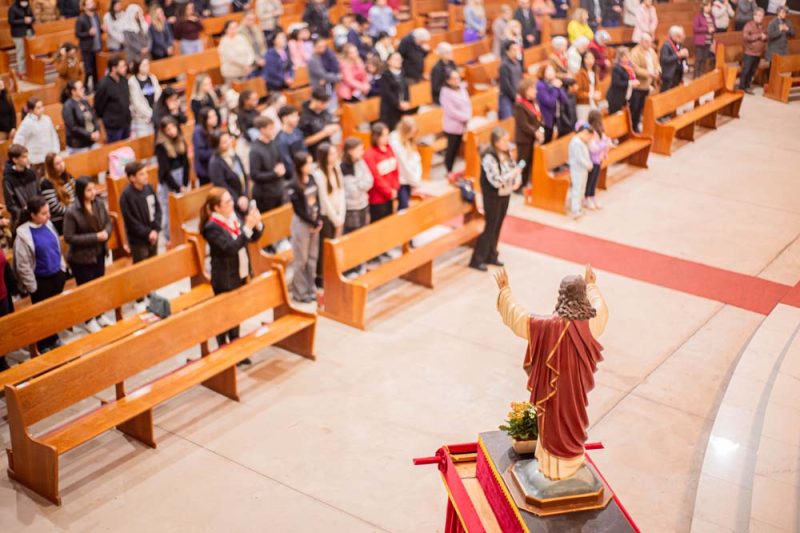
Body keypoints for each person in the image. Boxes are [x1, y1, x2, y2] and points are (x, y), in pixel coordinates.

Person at [493, 264, 608, 481]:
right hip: (575, 390)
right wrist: (592, 285)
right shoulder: (589, 323)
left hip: (553, 393)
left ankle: (553, 467)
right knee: (572, 421)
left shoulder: (547, 326)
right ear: (581, 295)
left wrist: (505, 290)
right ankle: (569, 463)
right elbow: (601, 308)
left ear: (562, 296)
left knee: (553, 422)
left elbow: (519, 318)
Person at [200, 187, 264, 349]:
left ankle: (235, 345)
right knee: (224, 315)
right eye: (227, 202)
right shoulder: (212, 227)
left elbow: (250, 238)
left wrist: (257, 225)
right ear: (217, 208)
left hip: (239, 272)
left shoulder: (233, 217)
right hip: (225, 276)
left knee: (236, 312)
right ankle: (223, 348)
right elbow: (230, 248)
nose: (232, 203)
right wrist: (248, 227)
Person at [13, 197, 67, 350]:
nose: (48, 216)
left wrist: (62, 269)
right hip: (40, 281)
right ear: (32, 215)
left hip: (56, 275)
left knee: (53, 311)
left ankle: (53, 336)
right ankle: (43, 343)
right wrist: (32, 287)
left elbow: (57, 246)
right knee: (42, 315)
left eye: (48, 212)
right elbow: (23, 264)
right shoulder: (24, 235)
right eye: (43, 213)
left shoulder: (48, 225)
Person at [63, 177, 114, 330]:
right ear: (80, 192)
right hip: (82, 258)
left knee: (99, 286)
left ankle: (99, 313)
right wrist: (95, 237)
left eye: (94, 189)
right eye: (89, 190)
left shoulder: (98, 203)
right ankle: (89, 318)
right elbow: (69, 237)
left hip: (99, 252)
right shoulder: (72, 211)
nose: (93, 193)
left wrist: (106, 232)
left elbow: (107, 222)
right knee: (86, 290)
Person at [469, 127, 520, 271]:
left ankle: (492, 254)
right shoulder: (488, 156)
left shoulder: (506, 153)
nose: (507, 143)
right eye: (505, 140)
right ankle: (477, 259)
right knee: (490, 226)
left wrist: (517, 178)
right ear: (496, 142)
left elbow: (514, 168)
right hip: (492, 195)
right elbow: (495, 180)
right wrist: (513, 174)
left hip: (505, 193)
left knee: (498, 225)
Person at [287, 151, 322, 303]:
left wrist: (319, 219)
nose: (310, 166)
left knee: (312, 258)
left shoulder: (312, 178)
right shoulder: (294, 185)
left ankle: (310, 288)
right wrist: (313, 222)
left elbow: (318, 200)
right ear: (300, 166)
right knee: (301, 259)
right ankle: (299, 292)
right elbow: (299, 210)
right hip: (303, 224)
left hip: (314, 221)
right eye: (307, 163)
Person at [312, 142, 346, 286]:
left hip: (339, 213)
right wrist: (336, 220)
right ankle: (322, 277)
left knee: (337, 245)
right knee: (325, 248)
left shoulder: (336, 167)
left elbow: (342, 192)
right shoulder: (318, 174)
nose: (335, 156)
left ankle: (335, 272)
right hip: (327, 216)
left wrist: (341, 217)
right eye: (331, 154)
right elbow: (324, 200)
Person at [155, 116, 190, 239]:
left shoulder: (181, 140)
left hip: (182, 178)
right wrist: (177, 187)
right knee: (168, 211)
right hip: (169, 181)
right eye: (168, 129)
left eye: (173, 127)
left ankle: (183, 234)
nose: (171, 131)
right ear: (164, 131)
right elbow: (164, 170)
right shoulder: (161, 146)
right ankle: (169, 238)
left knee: (183, 208)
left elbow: (186, 163)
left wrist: (185, 184)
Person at [120, 160, 161, 263]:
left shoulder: (149, 188)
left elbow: (157, 209)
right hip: (139, 241)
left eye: (146, 173)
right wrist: (148, 233)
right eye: (141, 174)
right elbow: (131, 221)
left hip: (153, 235)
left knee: (154, 264)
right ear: (132, 178)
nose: (146, 176)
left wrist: (155, 230)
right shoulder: (126, 196)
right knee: (142, 270)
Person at [363, 122, 399, 226]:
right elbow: (376, 177)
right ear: (376, 137)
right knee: (379, 225)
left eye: (387, 134)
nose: (387, 138)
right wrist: (389, 191)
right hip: (378, 198)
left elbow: (396, 169)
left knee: (389, 222)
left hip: (391, 194)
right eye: (384, 135)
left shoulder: (389, 148)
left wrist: (395, 188)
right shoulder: (370, 155)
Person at [249, 116, 287, 212]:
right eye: (270, 129)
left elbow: (279, 161)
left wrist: (281, 167)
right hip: (265, 195)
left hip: (278, 189)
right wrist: (275, 173)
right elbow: (255, 175)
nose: (273, 131)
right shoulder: (255, 150)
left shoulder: (274, 143)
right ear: (262, 130)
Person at [13, 98, 61, 174]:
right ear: (31, 110)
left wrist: (56, 151)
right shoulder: (27, 123)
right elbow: (17, 142)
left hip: (50, 158)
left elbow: (54, 136)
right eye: (38, 108)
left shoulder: (47, 119)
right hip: (36, 161)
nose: (42, 109)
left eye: (42, 106)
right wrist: (26, 157)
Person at [440, 70, 472, 177]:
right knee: (452, 148)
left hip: (463, 123)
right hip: (453, 125)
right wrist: (464, 117)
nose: (457, 80)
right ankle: (449, 170)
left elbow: (468, 103)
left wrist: (468, 115)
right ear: (448, 81)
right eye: (454, 78)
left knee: (459, 147)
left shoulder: (462, 88)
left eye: (458, 78)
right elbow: (450, 111)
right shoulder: (445, 92)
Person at [513, 78, 544, 191]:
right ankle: (518, 185)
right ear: (525, 91)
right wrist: (535, 132)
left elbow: (539, 118)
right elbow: (523, 124)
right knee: (522, 163)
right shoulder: (519, 105)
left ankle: (525, 184)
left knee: (530, 162)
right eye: (532, 89)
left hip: (532, 138)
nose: (535, 91)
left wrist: (541, 130)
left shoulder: (534, 102)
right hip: (524, 140)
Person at [209, 131, 250, 215]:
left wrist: (245, 195)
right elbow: (221, 185)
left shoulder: (233, 154)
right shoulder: (215, 163)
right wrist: (237, 199)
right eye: (224, 142)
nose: (228, 143)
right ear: (217, 145)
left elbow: (244, 175)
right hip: (231, 202)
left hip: (243, 198)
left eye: (228, 139)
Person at [3, 144, 42, 231]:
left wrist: (39, 208)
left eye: (27, 156)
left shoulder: (31, 173)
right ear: (15, 159)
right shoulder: (8, 180)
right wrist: (24, 212)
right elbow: (11, 205)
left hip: (37, 214)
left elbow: (39, 193)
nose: (27, 159)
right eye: (24, 157)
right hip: (22, 221)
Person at [341, 137, 372, 241]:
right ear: (350, 151)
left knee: (364, 234)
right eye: (359, 149)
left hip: (363, 204)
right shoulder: (342, 168)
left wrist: (358, 183)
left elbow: (370, 181)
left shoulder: (361, 162)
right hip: (351, 208)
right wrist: (361, 183)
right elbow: (353, 192)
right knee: (353, 237)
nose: (362, 152)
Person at [94, 56, 131, 142]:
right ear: (114, 68)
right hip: (113, 126)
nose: (125, 68)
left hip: (126, 122)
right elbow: (98, 106)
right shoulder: (104, 84)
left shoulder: (124, 80)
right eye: (122, 66)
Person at [388, 117, 422, 211]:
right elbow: (404, 165)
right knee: (403, 205)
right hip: (401, 179)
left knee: (405, 203)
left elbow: (416, 158)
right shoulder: (395, 142)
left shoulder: (408, 140)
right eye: (411, 133)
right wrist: (414, 180)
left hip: (409, 178)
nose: (413, 136)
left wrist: (416, 177)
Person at [630, 33, 659, 132]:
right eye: (647, 42)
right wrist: (649, 73)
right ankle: (634, 127)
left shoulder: (651, 51)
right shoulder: (635, 52)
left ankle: (640, 124)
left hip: (648, 84)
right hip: (639, 86)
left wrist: (657, 70)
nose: (649, 44)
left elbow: (656, 63)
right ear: (641, 41)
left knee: (643, 107)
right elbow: (635, 68)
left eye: (650, 42)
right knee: (635, 108)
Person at [40, 152, 76, 234]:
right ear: (51, 167)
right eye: (57, 164)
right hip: (61, 220)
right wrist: (75, 211)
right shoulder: (46, 184)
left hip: (74, 213)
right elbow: (55, 208)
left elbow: (77, 194)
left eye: (62, 161)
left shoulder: (68, 176)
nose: (62, 165)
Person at [299, 87, 341, 156]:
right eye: (322, 103)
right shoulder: (304, 117)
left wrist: (335, 127)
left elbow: (333, 123)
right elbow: (304, 142)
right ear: (314, 100)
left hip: (328, 146)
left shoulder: (324, 110)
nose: (325, 105)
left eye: (326, 103)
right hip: (315, 152)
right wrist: (324, 133)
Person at [62, 80, 100, 153]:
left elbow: (94, 117)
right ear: (73, 91)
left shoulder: (84, 101)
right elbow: (73, 127)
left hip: (90, 141)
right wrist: (89, 135)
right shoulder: (68, 106)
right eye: (81, 88)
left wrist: (97, 130)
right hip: (78, 144)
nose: (83, 90)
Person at [128, 58, 161, 137]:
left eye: (147, 65)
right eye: (144, 65)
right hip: (142, 119)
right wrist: (150, 114)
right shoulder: (132, 81)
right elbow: (137, 103)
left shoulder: (152, 77)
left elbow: (158, 94)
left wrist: (156, 112)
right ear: (138, 67)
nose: (147, 67)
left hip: (155, 114)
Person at [536, 64, 569, 142]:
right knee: (547, 140)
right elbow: (550, 102)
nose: (552, 72)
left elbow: (564, 99)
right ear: (543, 72)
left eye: (553, 70)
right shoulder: (540, 85)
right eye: (549, 70)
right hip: (546, 119)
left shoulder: (554, 83)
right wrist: (555, 88)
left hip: (556, 116)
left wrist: (558, 87)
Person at [379, 52, 411, 130]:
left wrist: (407, 101)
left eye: (400, 59)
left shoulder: (402, 73)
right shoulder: (385, 76)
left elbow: (406, 89)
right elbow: (387, 93)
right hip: (390, 110)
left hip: (401, 108)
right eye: (396, 59)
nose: (399, 61)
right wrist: (398, 104)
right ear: (389, 61)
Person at [739, 8, 768, 93]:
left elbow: (766, 36)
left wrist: (765, 37)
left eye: (762, 16)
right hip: (749, 52)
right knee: (746, 70)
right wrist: (759, 36)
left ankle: (747, 86)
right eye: (759, 15)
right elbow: (746, 37)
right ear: (754, 16)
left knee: (753, 70)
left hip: (758, 53)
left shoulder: (762, 26)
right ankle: (741, 87)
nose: (761, 18)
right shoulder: (749, 25)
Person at [75, 0, 102, 89]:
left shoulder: (96, 16)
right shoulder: (81, 19)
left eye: (92, 3)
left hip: (97, 47)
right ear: (84, 7)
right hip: (87, 48)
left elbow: (97, 30)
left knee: (96, 69)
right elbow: (77, 34)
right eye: (89, 4)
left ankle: (96, 87)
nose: (92, 5)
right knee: (88, 70)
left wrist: (102, 29)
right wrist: (88, 33)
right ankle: (85, 87)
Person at [585, 110, 608, 210]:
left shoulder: (600, 131)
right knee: (590, 180)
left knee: (595, 180)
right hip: (592, 160)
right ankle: (587, 198)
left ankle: (592, 196)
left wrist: (605, 150)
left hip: (599, 159)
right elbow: (592, 148)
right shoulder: (591, 132)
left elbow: (605, 141)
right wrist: (603, 145)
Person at [276, 105, 307, 177]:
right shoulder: (281, 139)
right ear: (284, 119)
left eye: (297, 116)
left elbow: (305, 151)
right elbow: (287, 161)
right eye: (293, 116)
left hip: (304, 169)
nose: (297, 118)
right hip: (293, 174)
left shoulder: (298, 132)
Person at [606, 47, 638, 113]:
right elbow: (616, 83)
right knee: (615, 117)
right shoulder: (616, 68)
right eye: (626, 56)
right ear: (620, 57)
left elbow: (631, 78)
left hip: (625, 97)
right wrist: (630, 83)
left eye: (629, 56)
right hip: (615, 98)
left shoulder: (629, 67)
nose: (628, 58)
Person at [192, 107, 218, 186]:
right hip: (205, 171)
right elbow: (202, 154)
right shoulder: (198, 131)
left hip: (215, 167)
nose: (215, 118)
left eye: (215, 115)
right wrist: (217, 151)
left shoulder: (214, 129)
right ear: (205, 119)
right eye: (211, 117)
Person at [9, 0, 35, 75]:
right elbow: (11, 21)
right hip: (18, 34)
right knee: (21, 53)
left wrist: (31, 19)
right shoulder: (13, 8)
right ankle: (21, 71)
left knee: (31, 52)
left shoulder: (28, 7)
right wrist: (23, 21)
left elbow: (33, 17)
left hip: (29, 31)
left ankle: (31, 70)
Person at [660, 26, 688, 92]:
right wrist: (678, 55)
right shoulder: (666, 45)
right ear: (673, 35)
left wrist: (685, 63)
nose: (680, 38)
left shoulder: (678, 44)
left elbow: (681, 56)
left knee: (675, 93)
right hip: (669, 74)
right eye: (678, 36)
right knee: (666, 94)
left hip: (677, 73)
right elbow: (664, 60)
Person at [575, 52, 602, 122]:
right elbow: (578, 93)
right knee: (584, 126)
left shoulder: (594, 72)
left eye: (592, 58)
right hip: (583, 105)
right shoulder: (579, 74)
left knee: (595, 124)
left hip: (593, 103)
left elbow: (597, 87)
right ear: (584, 60)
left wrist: (598, 93)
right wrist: (591, 95)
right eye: (588, 58)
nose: (590, 60)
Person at [499, 41, 523, 119]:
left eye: (517, 49)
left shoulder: (517, 63)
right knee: (509, 120)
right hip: (507, 98)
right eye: (513, 50)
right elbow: (505, 85)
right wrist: (515, 96)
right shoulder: (504, 66)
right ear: (507, 51)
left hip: (517, 95)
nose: (516, 51)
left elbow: (520, 79)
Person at [240, 11, 267, 76]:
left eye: (253, 20)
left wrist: (265, 57)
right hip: (249, 61)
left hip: (261, 58)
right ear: (243, 19)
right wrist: (257, 60)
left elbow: (263, 44)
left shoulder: (256, 28)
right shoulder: (239, 32)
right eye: (249, 19)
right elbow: (245, 51)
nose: (251, 22)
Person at [693, 1, 716, 78]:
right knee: (699, 59)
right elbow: (695, 29)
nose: (709, 7)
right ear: (703, 7)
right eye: (707, 6)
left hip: (708, 41)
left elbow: (714, 26)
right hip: (700, 41)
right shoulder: (698, 17)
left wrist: (713, 29)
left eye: (710, 6)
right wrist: (707, 29)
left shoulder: (712, 16)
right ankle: (696, 76)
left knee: (704, 59)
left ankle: (701, 75)